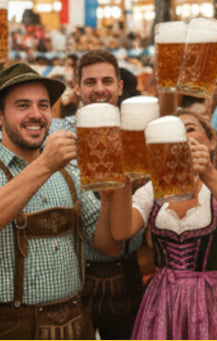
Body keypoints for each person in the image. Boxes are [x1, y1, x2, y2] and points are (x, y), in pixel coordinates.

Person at [0, 62, 119, 339]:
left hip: (75, 321)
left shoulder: (69, 169)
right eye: (22, 105)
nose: (36, 114)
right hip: (12, 327)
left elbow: (107, 246)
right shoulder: (54, 163)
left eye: (43, 105)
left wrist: (113, 197)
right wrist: (45, 165)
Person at [106, 115, 217, 339]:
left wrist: (208, 173)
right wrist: (124, 178)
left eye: (189, 129)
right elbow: (121, 231)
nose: (180, 136)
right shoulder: (154, 188)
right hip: (163, 304)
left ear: (211, 142)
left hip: (213, 304)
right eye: (174, 131)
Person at [52, 49, 145, 340]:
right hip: (79, 272)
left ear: (119, 86)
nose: (99, 89)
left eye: (107, 81)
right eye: (90, 82)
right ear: (77, 87)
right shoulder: (58, 135)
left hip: (129, 269)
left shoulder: (135, 133)